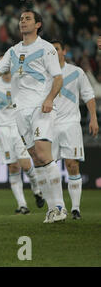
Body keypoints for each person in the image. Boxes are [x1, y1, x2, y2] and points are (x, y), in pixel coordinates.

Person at [0, 10, 66, 223]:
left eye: (28, 19)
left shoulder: (46, 49)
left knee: (43, 155)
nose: (22, 21)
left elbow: (58, 78)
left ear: (38, 25)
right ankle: (52, 209)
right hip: (19, 112)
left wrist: (50, 99)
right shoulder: (13, 51)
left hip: (39, 108)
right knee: (35, 158)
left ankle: (60, 206)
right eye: (21, 19)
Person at [50, 40, 99, 220]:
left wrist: (93, 117)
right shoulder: (43, 73)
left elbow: (88, 95)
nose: (54, 52)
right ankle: (59, 206)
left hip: (71, 123)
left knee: (72, 164)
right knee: (51, 167)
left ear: (64, 50)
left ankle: (75, 208)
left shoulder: (76, 72)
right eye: (51, 50)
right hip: (50, 125)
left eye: (56, 49)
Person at [0, 71, 45, 214]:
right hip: (2, 129)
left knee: (25, 164)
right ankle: (22, 205)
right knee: (13, 167)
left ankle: (37, 190)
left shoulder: (20, 81)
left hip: (19, 126)